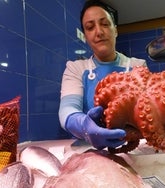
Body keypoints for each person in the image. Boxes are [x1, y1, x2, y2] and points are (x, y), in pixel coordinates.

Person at [59, 0, 146, 150]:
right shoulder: (75, 68)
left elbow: (147, 109)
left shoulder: (137, 66)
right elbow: (67, 110)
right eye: (90, 27)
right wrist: (84, 126)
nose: (99, 32)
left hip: (133, 151)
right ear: (85, 36)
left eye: (105, 24)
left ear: (116, 30)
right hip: (88, 149)